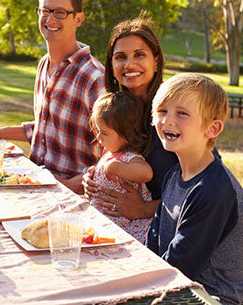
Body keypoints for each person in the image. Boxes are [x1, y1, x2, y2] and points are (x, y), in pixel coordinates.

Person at [0, 0, 105, 193]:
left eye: (60, 12)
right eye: (45, 10)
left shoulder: (94, 78)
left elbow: (111, 157)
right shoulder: (44, 64)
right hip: (34, 182)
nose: (50, 19)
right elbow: (45, 128)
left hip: (72, 197)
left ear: (78, 19)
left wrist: (70, 187)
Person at [147, 73, 243, 305]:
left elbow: (182, 264)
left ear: (212, 128)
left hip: (211, 297)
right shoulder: (173, 175)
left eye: (182, 113)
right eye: (162, 111)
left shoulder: (213, 190)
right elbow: (153, 238)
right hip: (176, 283)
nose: (168, 121)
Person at [83, 17, 179, 219]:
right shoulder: (114, 110)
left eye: (139, 55)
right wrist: (96, 176)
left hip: (176, 230)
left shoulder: (176, 109)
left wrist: (144, 209)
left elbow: (202, 188)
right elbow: (121, 158)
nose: (129, 64)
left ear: (156, 60)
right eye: (120, 57)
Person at [88, 91, 153, 242]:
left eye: (104, 133)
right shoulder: (111, 152)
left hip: (120, 222)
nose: (98, 138)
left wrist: (115, 167)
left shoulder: (130, 157)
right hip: (101, 214)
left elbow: (146, 173)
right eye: (98, 131)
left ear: (126, 135)